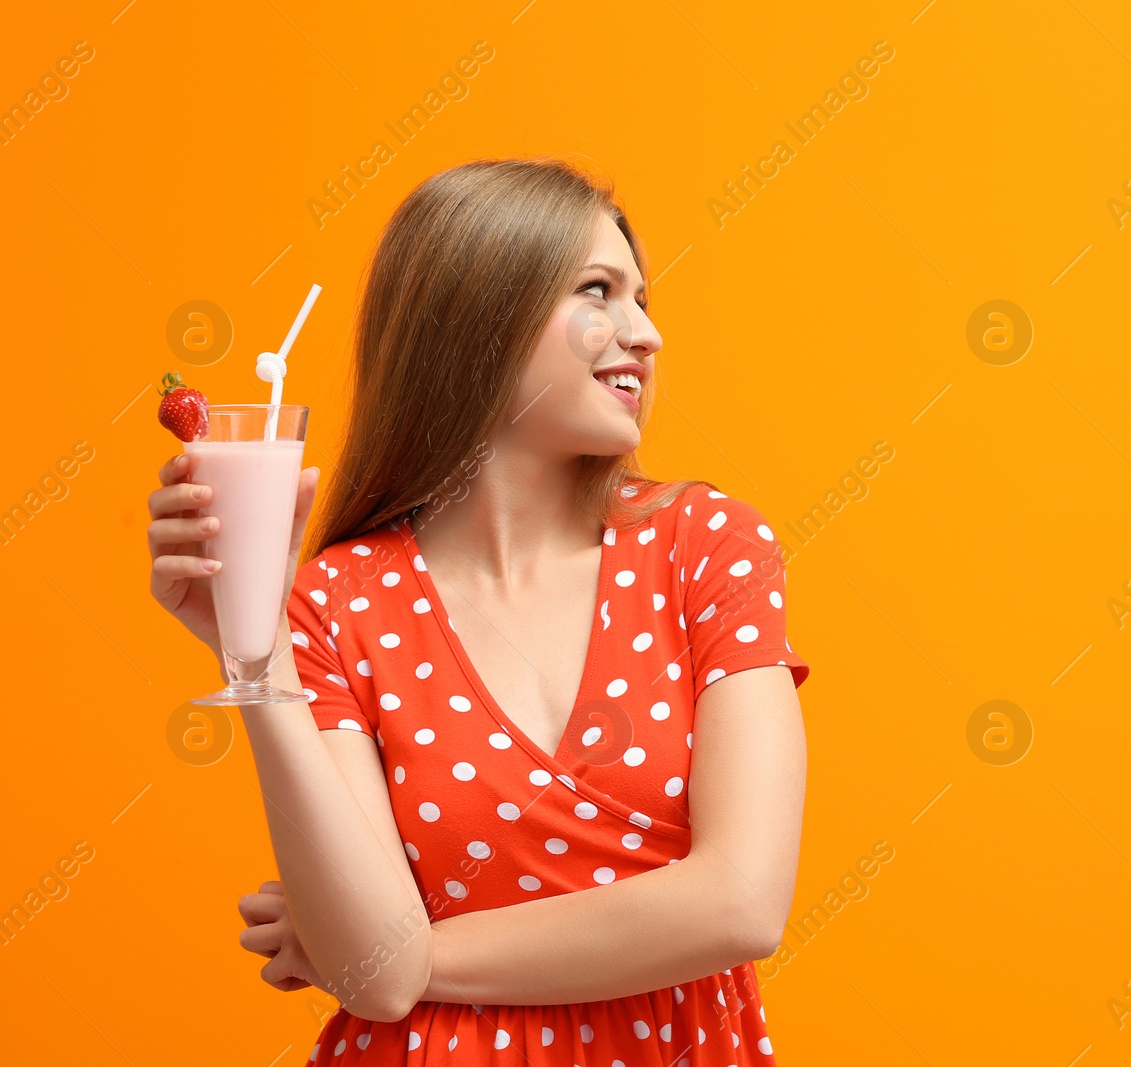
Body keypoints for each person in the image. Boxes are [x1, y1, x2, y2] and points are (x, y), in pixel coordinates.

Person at [146, 158, 811, 1064]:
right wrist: (255, 663)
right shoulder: (339, 601)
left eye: (643, 298)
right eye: (599, 291)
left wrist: (403, 950)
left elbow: (741, 901)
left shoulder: (706, 546)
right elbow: (376, 983)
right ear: (482, 316)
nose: (645, 332)